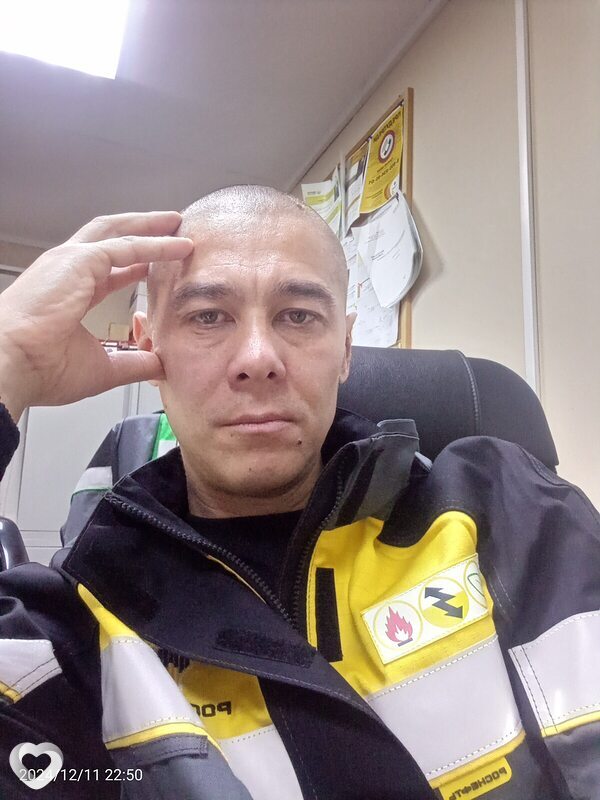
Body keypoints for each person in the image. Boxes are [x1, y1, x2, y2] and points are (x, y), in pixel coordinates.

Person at [0, 186, 598, 800]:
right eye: (208, 316)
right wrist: (5, 361)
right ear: (149, 345)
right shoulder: (80, 618)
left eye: (298, 316)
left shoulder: (506, 508)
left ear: (345, 349)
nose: (258, 358)